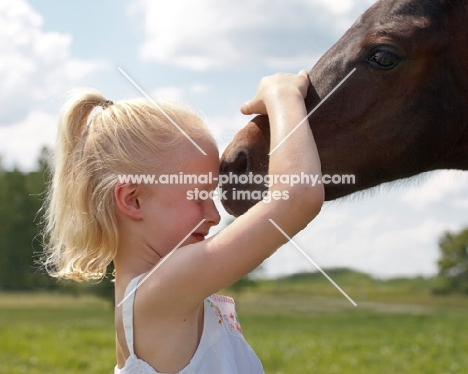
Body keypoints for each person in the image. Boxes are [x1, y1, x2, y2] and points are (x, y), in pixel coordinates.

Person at [41, 70, 324, 373]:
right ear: (132, 200)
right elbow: (298, 196)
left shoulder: (152, 296)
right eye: (197, 195)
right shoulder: (162, 289)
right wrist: (281, 93)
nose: (215, 216)